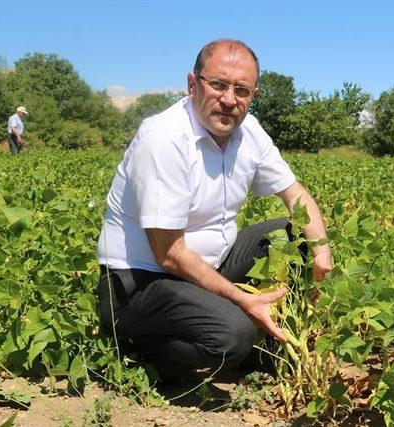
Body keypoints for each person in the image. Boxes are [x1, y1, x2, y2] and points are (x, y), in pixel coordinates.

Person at [96, 39, 332, 382]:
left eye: (242, 90)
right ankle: (139, 346)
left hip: (208, 267)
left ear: (253, 94)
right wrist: (240, 300)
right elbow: (169, 255)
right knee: (233, 335)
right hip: (142, 283)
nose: (229, 99)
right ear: (193, 84)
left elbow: (295, 194)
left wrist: (322, 251)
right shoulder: (164, 139)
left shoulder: (248, 131)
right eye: (218, 84)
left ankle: (266, 347)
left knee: (293, 234)